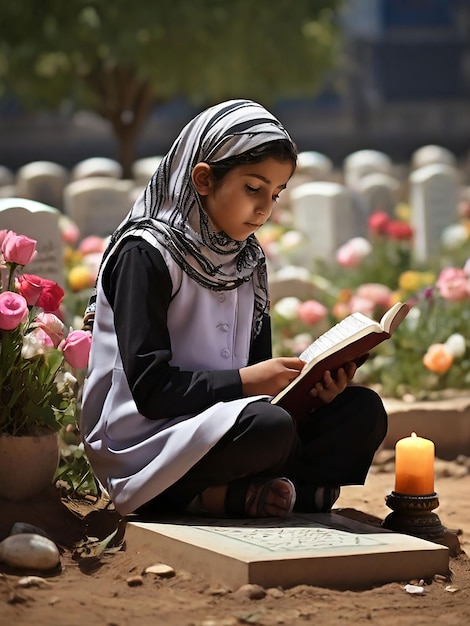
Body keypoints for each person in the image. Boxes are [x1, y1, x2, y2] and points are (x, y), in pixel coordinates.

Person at [80, 99, 387, 519]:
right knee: (269, 429)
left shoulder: (247, 261)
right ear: (203, 179)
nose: (265, 209)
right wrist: (247, 383)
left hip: (228, 423)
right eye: (252, 188)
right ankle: (219, 495)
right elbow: (150, 390)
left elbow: (260, 383)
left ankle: (257, 491)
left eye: (276, 194)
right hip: (147, 435)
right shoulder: (146, 254)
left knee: (361, 411)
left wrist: (314, 391)